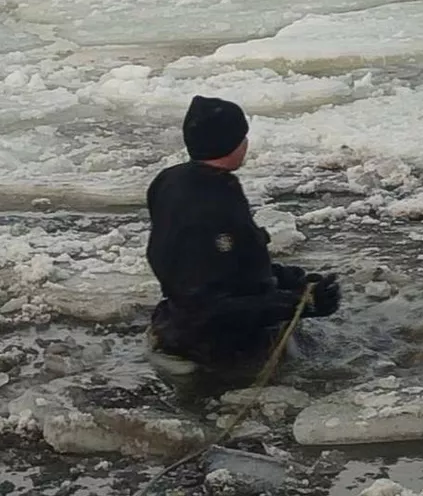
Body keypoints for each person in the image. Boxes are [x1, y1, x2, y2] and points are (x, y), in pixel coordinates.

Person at [145, 94, 340, 369]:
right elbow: (209, 304)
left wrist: (287, 279)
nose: (247, 143)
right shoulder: (212, 205)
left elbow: (225, 265)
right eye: (242, 136)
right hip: (214, 345)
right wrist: (299, 304)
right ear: (230, 143)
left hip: (176, 319)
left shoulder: (171, 180)